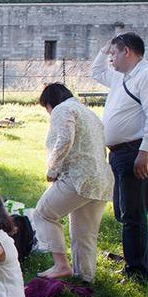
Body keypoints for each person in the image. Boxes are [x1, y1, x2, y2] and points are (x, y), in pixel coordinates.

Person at [91, 32, 148, 282]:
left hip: (137, 151)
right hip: (120, 153)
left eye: (114, 53)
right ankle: (134, 256)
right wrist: (104, 50)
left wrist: (145, 152)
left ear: (127, 52)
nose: (111, 59)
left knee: (134, 214)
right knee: (124, 213)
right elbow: (96, 72)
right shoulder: (123, 76)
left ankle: (137, 270)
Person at [32, 83, 113, 281]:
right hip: (100, 178)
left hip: (78, 177)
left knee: (43, 214)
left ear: (50, 102)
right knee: (84, 233)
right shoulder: (88, 113)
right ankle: (85, 277)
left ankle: (61, 265)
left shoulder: (62, 109)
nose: (48, 113)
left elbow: (65, 138)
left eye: (46, 108)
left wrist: (52, 169)